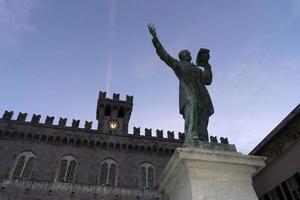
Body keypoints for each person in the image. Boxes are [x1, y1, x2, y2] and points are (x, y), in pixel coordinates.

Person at [148, 24, 214, 146]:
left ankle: (203, 138)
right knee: (192, 106)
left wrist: (206, 65)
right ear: (182, 57)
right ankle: (191, 135)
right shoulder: (179, 65)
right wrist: (155, 39)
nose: (188, 54)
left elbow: (208, 80)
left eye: (188, 53)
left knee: (203, 113)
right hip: (188, 93)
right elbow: (164, 56)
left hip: (202, 94)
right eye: (186, 53)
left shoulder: (197, 69)